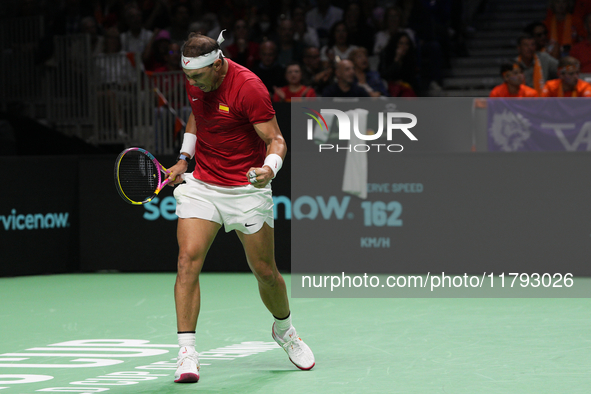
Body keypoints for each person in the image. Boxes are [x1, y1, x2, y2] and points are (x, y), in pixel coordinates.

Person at [165, 31, 315, 384]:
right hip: (202, 185)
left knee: (265, 272)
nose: (192, 83)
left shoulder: (248, 87)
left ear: (217, 65)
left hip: (245, 189)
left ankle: (286, 331)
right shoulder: (196, 79)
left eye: (197, 76)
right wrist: (184, 159)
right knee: (188, 260)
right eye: (188, 77)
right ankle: (187, 352)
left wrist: (267, 170)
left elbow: (276, 140)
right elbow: (196, 116)